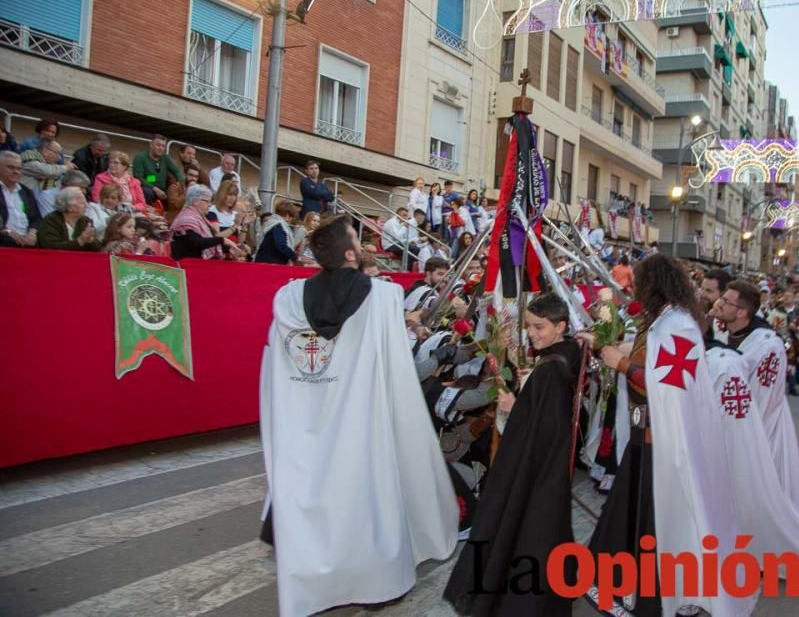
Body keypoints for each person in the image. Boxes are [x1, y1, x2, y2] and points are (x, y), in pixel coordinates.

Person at [261, 214, 457, 616]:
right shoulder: (382, 297)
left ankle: (312, 572)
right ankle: (377, 579)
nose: (364, 243)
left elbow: (277, 365)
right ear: (350, 253)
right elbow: (394, 367)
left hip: (308, 414)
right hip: (360, 416)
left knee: (313, 488)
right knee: (367, 495)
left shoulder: (289, 298)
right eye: (357, 237)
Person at [584, 255, 747, 617]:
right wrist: (612, 347)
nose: (636, 290)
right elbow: (654, 362)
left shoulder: (677, 325)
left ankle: (647, 596)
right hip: (647, 435)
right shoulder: (666, 321)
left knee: (654, 521)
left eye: (641, 283)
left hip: (663, 441)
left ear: (654, 285)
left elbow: (669, 386)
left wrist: (621, 364)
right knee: (630, 514)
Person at [444, 293, 582, 616]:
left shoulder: (551, 369)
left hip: (535, 471)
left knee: (528, 531)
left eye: (540, 327)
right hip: (551, 470)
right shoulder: (565, 355)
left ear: (561, 326)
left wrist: (513, 407)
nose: (533, 334)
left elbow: (543, 427)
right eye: (529, 326)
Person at [704, 329, 799, 580]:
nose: (718, 305)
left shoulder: (765, 342)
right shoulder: (736, 342)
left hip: (754, 421)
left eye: (724, 301)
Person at [714, 280, 799, 516]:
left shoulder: (769, 345)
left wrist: (745, 436)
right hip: (728, 422)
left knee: (759, 492)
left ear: (741, 311)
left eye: (726, 301)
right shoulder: (722, 330)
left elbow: (763, 398)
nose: (719, 303)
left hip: (759, 426)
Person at [170, 185, 234, 260]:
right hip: (186, 265)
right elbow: (196, 243)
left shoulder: (200, 219)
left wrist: (229, 249)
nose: (210, 205)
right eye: (207, 201)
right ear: (195, 201)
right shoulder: (187, 218)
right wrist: (222, 240)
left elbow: (208, 242)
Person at [36, 187, 99, 251]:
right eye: (82, 203)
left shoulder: (86, 221)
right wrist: (80, 241)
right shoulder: (51, 220)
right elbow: (50, 247)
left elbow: (97, 249)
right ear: (70, 208)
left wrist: (91, 241)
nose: (87, 206)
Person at [0, 151, 41, 247]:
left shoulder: (26, 192)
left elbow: (36, 218)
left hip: (26, 241)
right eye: (11, 167)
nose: (16, 171)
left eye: (19, 168)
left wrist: (32, 233)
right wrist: (6, 231)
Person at [132, 134, 181, 205]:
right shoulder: (140, 157)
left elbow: (176, 171)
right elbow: (138, 178)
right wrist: (155, 189)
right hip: (147, 189)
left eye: (163, 146)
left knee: (175, 196)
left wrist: (181, 184)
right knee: (147, 192)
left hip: (163, 190)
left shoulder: (165, 158)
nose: (160, 148)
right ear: (151, 145)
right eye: (158, 145)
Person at [255, 201, 300, 265]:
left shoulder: (272, 223)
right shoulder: (278, 226)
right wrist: (295, 257)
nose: (291, 220)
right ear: (287, 215)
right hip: (270, 263)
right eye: (291, 217)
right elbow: (281, 245)